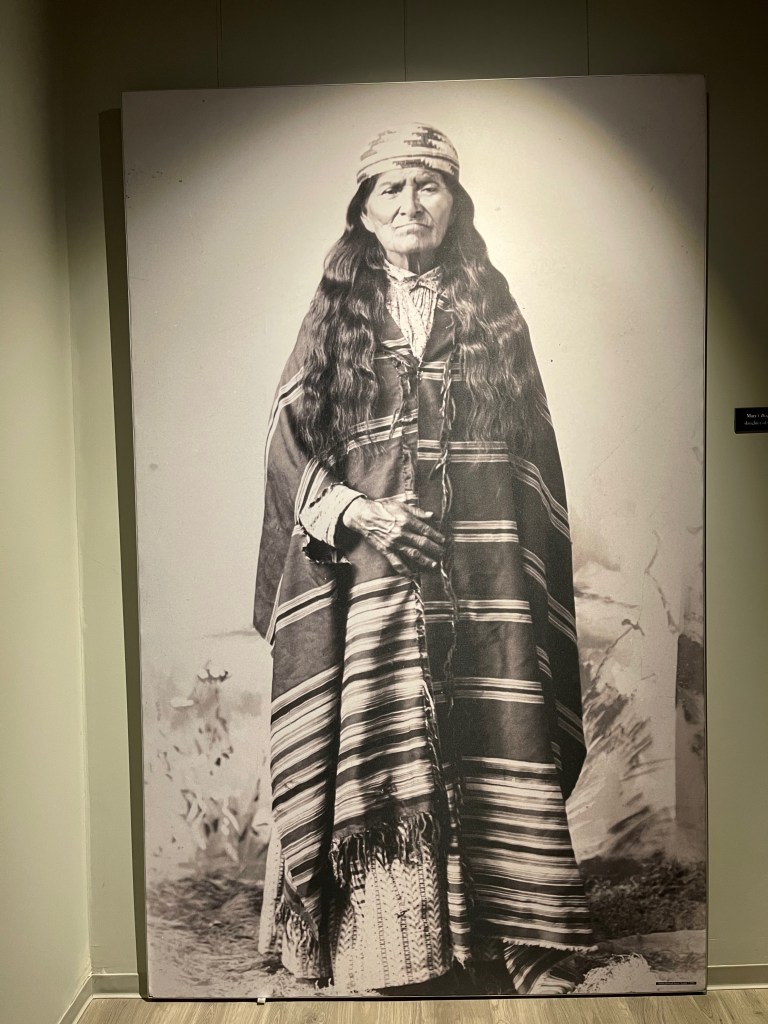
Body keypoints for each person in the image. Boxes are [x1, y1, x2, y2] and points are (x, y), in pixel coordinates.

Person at [253, 123, 594, 995]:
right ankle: (388, 951)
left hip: (484, 578)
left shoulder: (494, 313)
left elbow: (532, 460)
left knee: (496, 728)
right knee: (383, 740)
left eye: (428, 185)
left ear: (455, 202)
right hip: (372, 584)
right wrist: (360, 510)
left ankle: (515, 941)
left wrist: (499, 553)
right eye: (392, 189)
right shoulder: (335, 318)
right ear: (364, 212)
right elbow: (289, 450)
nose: (412, 204)